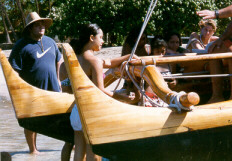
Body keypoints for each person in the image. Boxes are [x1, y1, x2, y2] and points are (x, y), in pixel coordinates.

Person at [65, 24, 137, 161]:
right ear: (91, 38)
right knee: (94, 154)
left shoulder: (77, 59)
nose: (103, 41)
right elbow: (100, 91)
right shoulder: (95, 61)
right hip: (91, 113)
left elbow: (108, 62)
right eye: (101, 37)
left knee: (79, 154)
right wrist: (122, 97)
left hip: (77, 110)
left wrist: (127, 56)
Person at [9, 12, 73, 158]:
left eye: (42, 24)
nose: (41, 27)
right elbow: (14, 71)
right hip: (32, 91)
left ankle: (70, 142)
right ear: (30, 28)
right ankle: (33, 151)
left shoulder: (50, 41)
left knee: (64, 117)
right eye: (37, 25)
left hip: (54, 88)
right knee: (31, 120)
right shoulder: (20, 46)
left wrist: (58, 78)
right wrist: (19, 91)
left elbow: (59, 60)